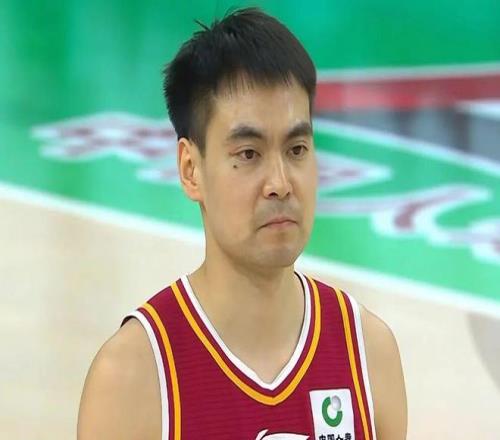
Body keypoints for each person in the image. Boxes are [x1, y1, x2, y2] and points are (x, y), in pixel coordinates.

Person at [77, 7, 407, 440]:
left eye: (297, 149)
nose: (280, 184)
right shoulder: (133, 379)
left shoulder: (368, 355)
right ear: (191, 169)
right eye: (248, 154)